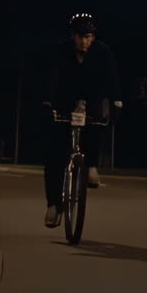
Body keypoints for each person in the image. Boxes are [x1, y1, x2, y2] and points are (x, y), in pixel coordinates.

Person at [39, 12, 122, 228]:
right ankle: (53, 205)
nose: (84, 41)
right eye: (79, 36)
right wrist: (47, 102)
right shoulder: (61, 50)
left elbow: (112, 78)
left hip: (92, 99)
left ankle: (92, 165)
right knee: (55, 155)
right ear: (72, 36)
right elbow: (51, 76)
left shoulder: (102, 51)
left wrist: (116, 102)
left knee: (99, 122)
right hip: (64, 100)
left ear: (94, 36)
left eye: (88, 36)